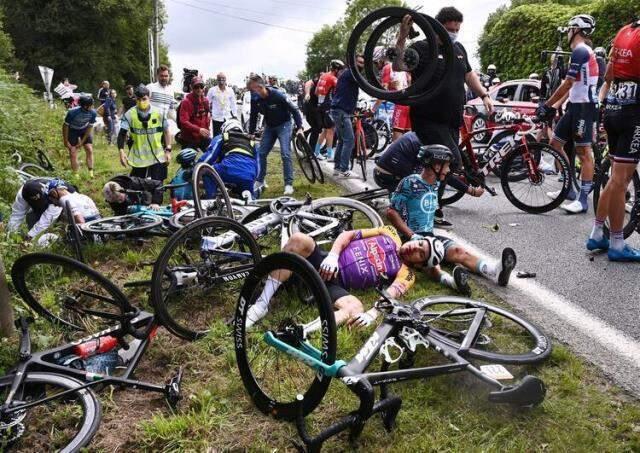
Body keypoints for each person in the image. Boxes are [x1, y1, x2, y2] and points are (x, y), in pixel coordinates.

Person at [393, 7, 494, 228]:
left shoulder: (458, 49)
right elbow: (399, 65)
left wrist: (484, 94)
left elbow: (469, 75)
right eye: (449, 29)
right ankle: (420, 206)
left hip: (451, 119)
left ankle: (430, 208)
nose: (454, 33)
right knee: (450, 160)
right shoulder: (421, 47)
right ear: (437, 26)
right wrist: (402, 35)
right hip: (428, 118)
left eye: (457, 29)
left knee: (437, 165)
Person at [245, 224, 445, 330]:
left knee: (355, 307)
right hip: (326, 261)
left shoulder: (407, 273)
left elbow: (390, 295)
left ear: (420, 264)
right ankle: (261, 306)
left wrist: (372, 314)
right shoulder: (389, 233)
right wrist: (333, 255)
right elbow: (348, 235)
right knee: (299, 240)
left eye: (421, 253)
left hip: (337, 285)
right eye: (420, 244)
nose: (415, 248)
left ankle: (303, 331)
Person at [387, 145, 516, 292]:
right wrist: (412, 236)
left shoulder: (437, 181)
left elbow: (453, 180)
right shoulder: (410, 182)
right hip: (410, 239)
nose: (448, 170)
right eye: (447, 166)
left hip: (430, 237)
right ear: (436, 165)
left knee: (459, 252)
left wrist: (472, 190)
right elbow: (391, 212)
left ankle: (495, 271)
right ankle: (452, 282)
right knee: (432, 263)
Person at [587, 19, 640, 261]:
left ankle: (598, 232)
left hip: (614, 108)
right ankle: (617, 244)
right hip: (633, 113)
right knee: (621, 180)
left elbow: (609, 74)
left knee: (617, 176)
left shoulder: (624, 29)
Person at [537, 14, 598, 214]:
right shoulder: (579, 52)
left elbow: (568, 83)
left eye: (570, 29)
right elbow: (573, 87)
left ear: (576, 31)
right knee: (555, 144)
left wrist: (547, 104)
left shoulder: (581, 51)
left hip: (584, 107)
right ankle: (570, 191)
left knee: (583, 152)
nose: (568, 33)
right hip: (574, 105)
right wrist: (554, 106)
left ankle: (582, 200)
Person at [373, 131, 482, 198]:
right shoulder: (428, 147)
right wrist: (471, 191)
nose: (448, 169)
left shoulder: (422, 134)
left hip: (382, 173)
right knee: (431, 178)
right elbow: (443, 173)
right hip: (389, 178)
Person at [248, 74, 303, 196]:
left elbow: (294, 110)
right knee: (261, 153)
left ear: (260, 87)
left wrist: (299, 128)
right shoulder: (255, 99)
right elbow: (253, 115)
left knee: (285, 153)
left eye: (253, 90)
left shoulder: (278, 95)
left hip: (284, 124)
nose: (251, 93)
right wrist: (251, 132)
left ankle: (288, 184)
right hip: (270, 126)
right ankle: (260, 180)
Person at [117, 84, 172, 181]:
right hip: (139, 159)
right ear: (135, 99)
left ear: (149, 97)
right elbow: (122, 134)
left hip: (157, 157)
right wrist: (121, 151)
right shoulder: (129, 114)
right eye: (138, 99)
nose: (141, 102)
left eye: (144, 99)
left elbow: (167, 131)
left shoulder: (159, 113)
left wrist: (168, 150)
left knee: (157, 189)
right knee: (138, 189)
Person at [199, 119, 260, 198]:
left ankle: (210, 199)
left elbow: (210, 156)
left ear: (225, 129)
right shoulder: (252, 142)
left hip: (228, 168)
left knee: (207, 172)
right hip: (249, 174)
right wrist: (253, 178)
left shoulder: (222, 137)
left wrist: (197, 167)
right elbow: (258, 165)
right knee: (248, 200)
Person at [330, 55, 364, 178]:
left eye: (363, 63)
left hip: (340, 110)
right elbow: (365, 85)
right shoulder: (351, 74)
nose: (361, 65)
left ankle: (337, 168)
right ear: (353, 63)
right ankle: (344, 169)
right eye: (359, 62)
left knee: (341, 140)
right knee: (349, 141)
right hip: (341, 111)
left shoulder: (349, 74)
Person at [315, 60, 344, 160]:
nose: (340, 73)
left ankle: (317, 152)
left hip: (320, 105)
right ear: (336, 69)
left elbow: (316, 92)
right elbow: (340, 92)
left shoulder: (323, 76)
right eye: (340, 70)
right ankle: (329, 155)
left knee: (324, 131)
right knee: (331, 130)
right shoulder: (333, 78)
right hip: (327, 106)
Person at [62, 94, 96, 178]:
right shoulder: (72, 112)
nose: (92, 107)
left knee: (89, 149)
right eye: (91, 105)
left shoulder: (93, 113)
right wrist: (66, 141)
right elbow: (65, 126)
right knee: (73, 152)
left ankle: (91, 172)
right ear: (85, 106)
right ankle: (76, 174)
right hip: (72, 130)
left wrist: (82, 142)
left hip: (84, 129)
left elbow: (89, 127)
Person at [178, 76, 211, 149]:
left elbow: (206, 116)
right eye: (196, 87)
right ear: (191, 87)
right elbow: (183, 122)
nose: (199, 89)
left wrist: (207, 128)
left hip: (202, 137)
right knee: (186, 158)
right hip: (189, 138)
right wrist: (199, 130)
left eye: (201, 86)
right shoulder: (186, 102)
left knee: (214, 156)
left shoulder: (205, 101)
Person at [207, 72, 238, 136]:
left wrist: (235, 115)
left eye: (223, 78)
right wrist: (208, 113)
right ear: (217, 80)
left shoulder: (230, 90)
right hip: (216, 118)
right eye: (219, 79)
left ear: (225, 79)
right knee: (217, 136)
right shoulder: (212, 90)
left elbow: (233, 104)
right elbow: (207, 102)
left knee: (227, 137)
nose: (221, 80)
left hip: (228, 118)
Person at [303, 74, 322, 154]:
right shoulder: (323, 80)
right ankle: (310, 152)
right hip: (311, 106)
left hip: (320, 107)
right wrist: (307, 93)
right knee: (316, 128)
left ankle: (305, 134)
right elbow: (308, 83)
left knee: (318, 128)